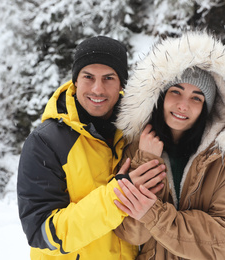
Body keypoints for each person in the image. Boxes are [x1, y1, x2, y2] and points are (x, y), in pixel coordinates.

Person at [113, 31, 225, 259]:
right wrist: (146, 161)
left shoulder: (222, 161)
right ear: (161, 96)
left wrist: (155, 215)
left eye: (196, 98)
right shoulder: (135, 150)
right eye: (176, 92)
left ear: (205, 109)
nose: (183, 105)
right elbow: (131, 234)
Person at [17, 35, 166, 260]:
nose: (97, 89)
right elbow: (42, 233)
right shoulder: (45, 142)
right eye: (88, 77)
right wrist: (118, 195)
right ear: (76, 81)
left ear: (121, 84)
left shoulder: (137, 133)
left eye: (108, 78)